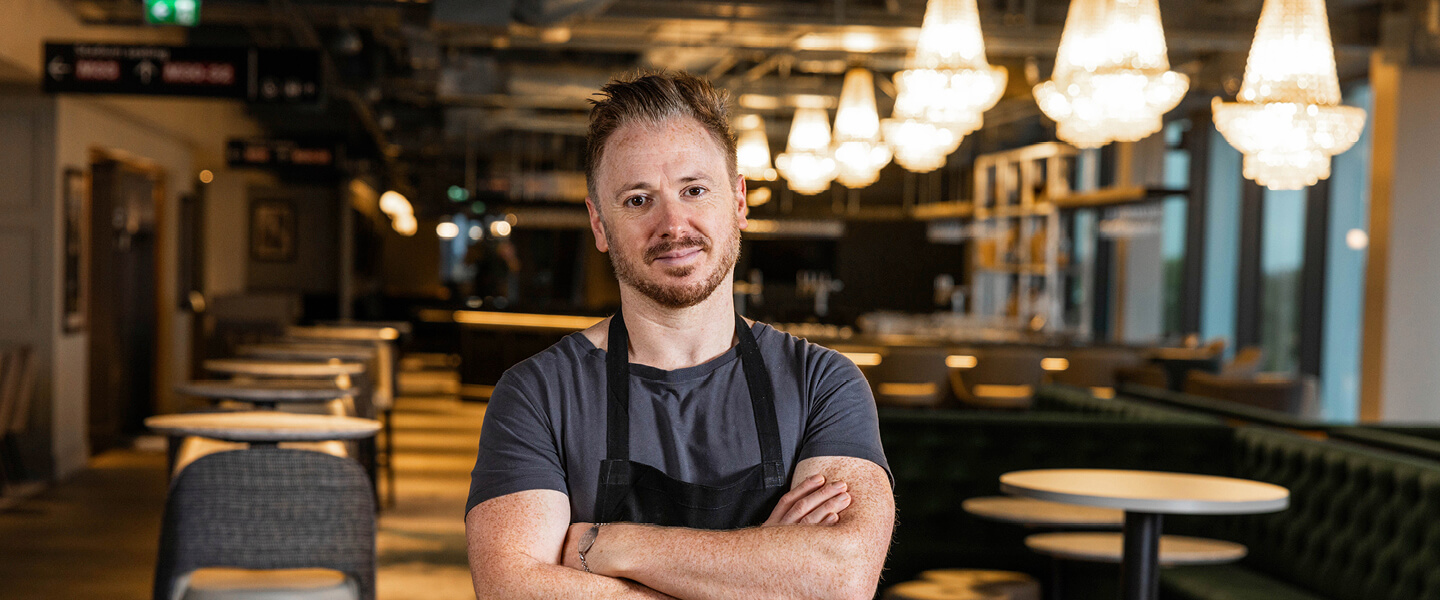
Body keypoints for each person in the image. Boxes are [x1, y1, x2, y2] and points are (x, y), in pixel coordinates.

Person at [465, 70, 894, 600]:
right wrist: (766, 572)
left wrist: (608, 545)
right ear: (599, 225)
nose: (673, 223)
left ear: (738, 201)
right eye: (637, 200)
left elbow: (842, 579)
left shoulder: (822, 384)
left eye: (694, 190)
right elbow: (512, 589)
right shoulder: (537, 394)